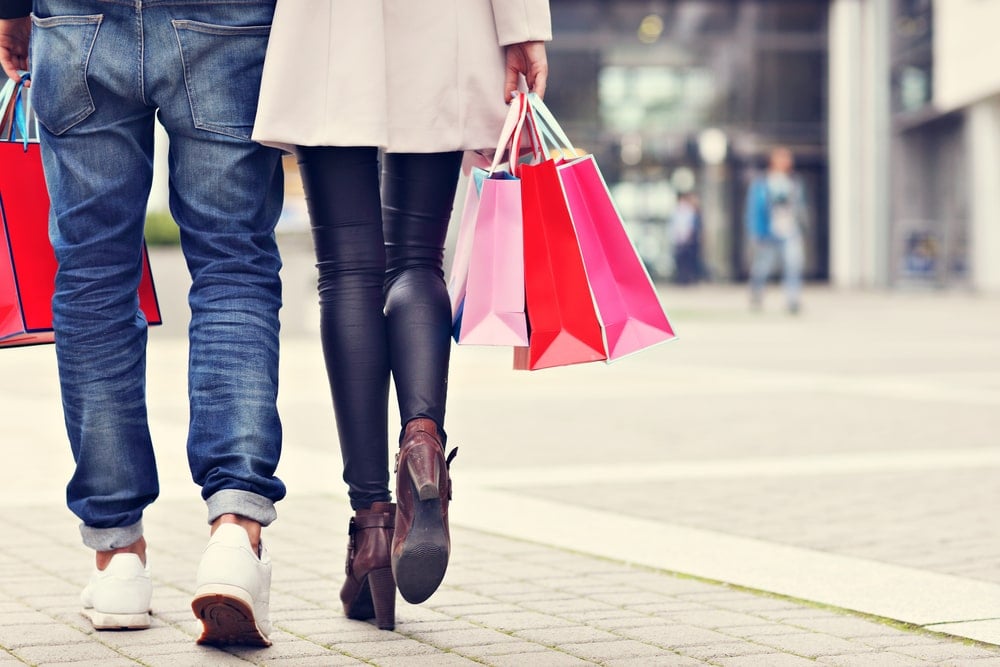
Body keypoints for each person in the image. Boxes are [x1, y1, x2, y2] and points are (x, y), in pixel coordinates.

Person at [252, 1, 551, 630]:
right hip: (445, 21)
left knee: (347, 270)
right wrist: (523, 28)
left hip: (331, 23)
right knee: (418, 258)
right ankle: (423, 442)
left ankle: (371, 526)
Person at [1, 0, 285, 647]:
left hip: (78, 18)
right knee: (232, 261)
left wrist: (13, 12)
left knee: (93, 275)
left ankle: (118, 557)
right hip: (226, 17)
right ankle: (235, 533)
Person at [745, 146, 809, 313]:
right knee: (762, 266)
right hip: (768, 231)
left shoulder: (794, 182)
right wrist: (756, 231)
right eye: (782, 158)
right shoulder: (762, 182)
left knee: (793, 264)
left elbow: (800, 207)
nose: (786, 162)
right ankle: (756, 294)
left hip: (789, 230)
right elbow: (754, 208)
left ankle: (792, 299)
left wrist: (803, 227)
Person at [670, 191, 703, 285]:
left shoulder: (689, 211)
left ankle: (688, 278)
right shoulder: (677, 211)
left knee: (688, 260)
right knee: (681, 260)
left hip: (687, 240)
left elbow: (690, 226)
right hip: (680, 240)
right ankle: (682, 278)